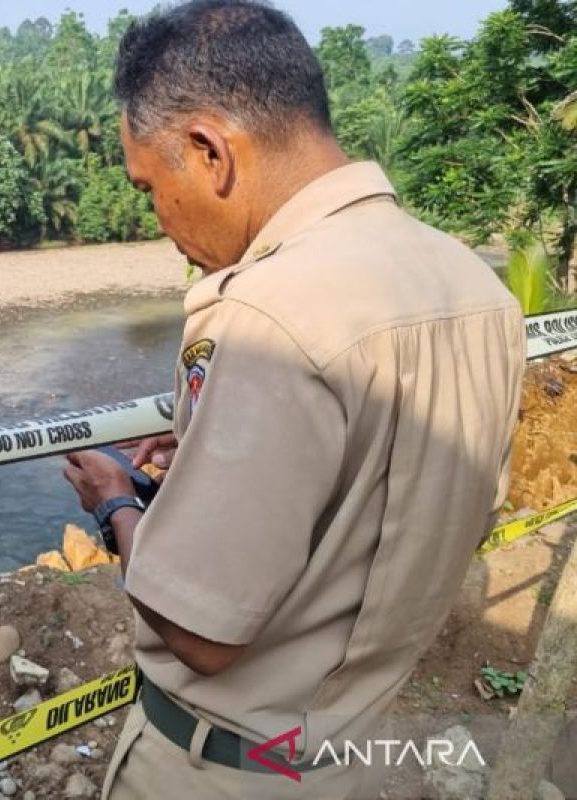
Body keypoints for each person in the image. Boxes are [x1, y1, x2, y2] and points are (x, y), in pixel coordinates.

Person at [61, 2, 525, 798]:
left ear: (209, 151)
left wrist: (113, 505)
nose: (160, 219)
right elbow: (426, 501)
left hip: (225, 770)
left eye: (150, 187)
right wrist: (217, 455)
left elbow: (199, 633)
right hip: (349, 751)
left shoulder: (268, 314)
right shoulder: (470, 286)